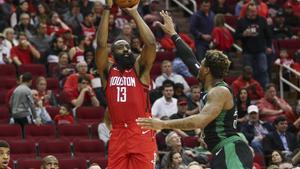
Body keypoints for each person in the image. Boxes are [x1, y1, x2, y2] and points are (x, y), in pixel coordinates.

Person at [137, 11, 253, 169]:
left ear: (207, 70)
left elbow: (199, 120)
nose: (199, 64)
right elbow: (189, 58)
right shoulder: (210, 83)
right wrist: (173, 33)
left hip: (231, 149)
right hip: (223, 151)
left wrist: (163, 123)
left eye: (203, 63)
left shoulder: (219, 92)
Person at [95, 0, 157, 168]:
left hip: (141, 130)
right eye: (121, 48)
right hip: (118, 133)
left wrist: (135, 13)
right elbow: (101, 44)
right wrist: (107, 9)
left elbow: (151, 44)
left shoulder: (139, 70)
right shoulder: (107, 71)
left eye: (128, 47)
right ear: (113, 54)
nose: (126, 50)